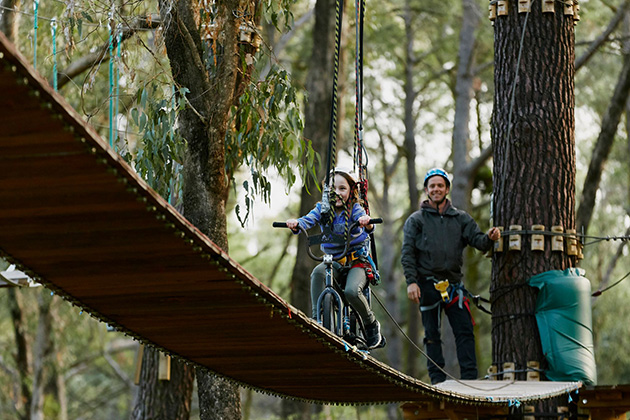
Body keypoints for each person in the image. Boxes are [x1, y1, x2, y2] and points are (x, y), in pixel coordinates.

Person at [401, 168, 501, 384]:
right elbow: (407, 253)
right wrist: (411, 282)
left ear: (447, 189)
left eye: (440, 185)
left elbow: (478, 241)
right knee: (431, 335)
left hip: (454, 286)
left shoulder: (461, 219)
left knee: (465, 331)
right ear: (427, 190)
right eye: (432, 185)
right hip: (427, 284)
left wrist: (490, 237)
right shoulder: (416, 221)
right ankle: (437, 380)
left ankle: (470, 379)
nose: (436, 189)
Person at [286, 167, 384, 349]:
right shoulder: (322, 209)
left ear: (351, 191)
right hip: (333, 261)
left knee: (352, 292)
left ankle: (370, 323)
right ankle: (317, 321)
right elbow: (308, 219)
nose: (337, 193)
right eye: (332, 189)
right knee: (317, 274)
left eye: (342, 189)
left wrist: (367, 223)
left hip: (356, 261)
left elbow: (363, 218)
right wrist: (297, 224)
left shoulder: (354, 208)